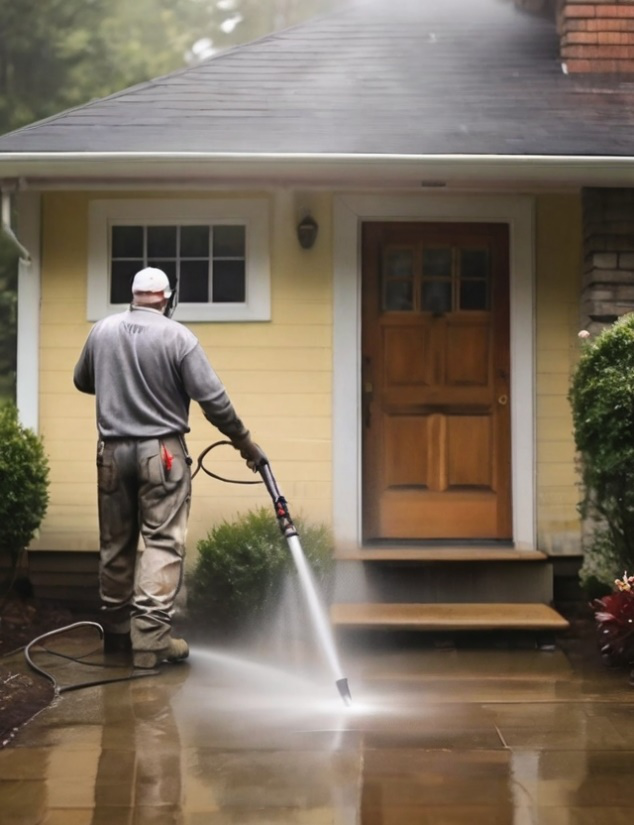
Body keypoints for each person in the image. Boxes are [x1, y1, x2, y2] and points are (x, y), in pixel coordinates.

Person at [74, 266, 265, 669]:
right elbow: (214, 400)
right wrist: (245, 443)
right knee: (161, 542)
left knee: (116, 542)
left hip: (110, 452)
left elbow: (82, 380)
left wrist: (119, 382)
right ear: (166, 298)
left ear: (133, 296)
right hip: (161, 453)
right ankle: (152, 639)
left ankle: (117, 633)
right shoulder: (178, 337)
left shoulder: (102, 330)